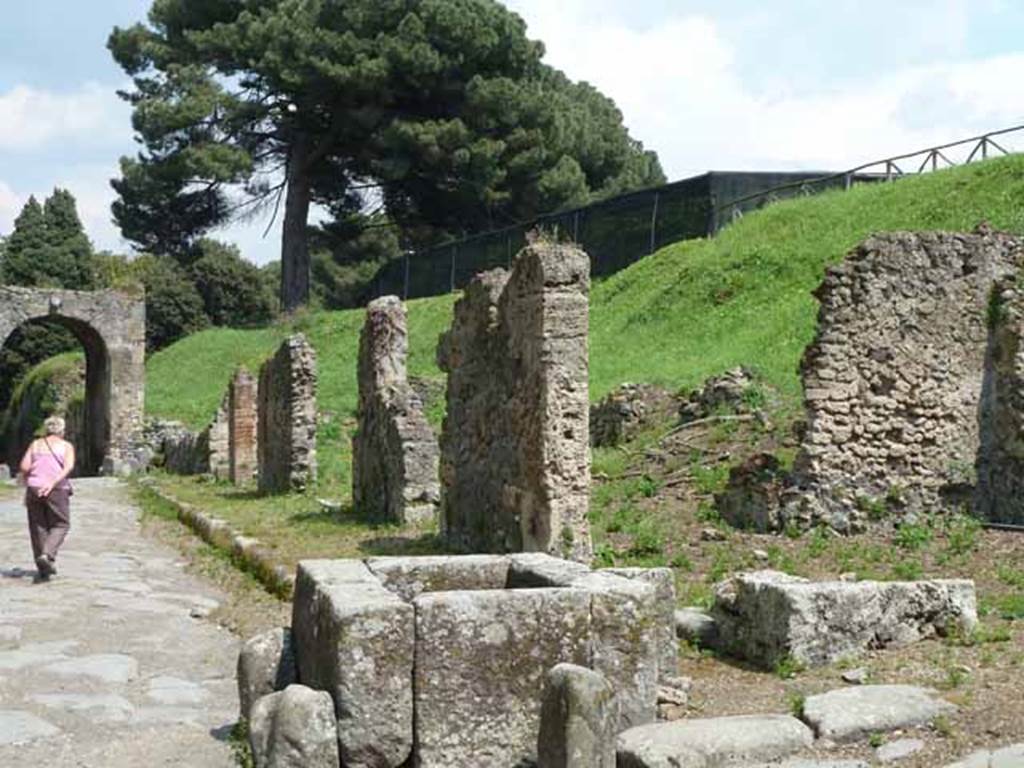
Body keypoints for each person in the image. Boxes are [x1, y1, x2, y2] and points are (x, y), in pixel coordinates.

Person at [18, 416, 75, 582]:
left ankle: (42, 567)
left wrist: (30, 481)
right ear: (62, 430)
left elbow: (24, 467)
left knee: (38, 526)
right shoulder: (66, 446)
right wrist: (52, 482)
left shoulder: (36, 444)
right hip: (57, 489)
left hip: (34, 488)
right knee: (61, 524)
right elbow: (68, 467)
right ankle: (47, 555)